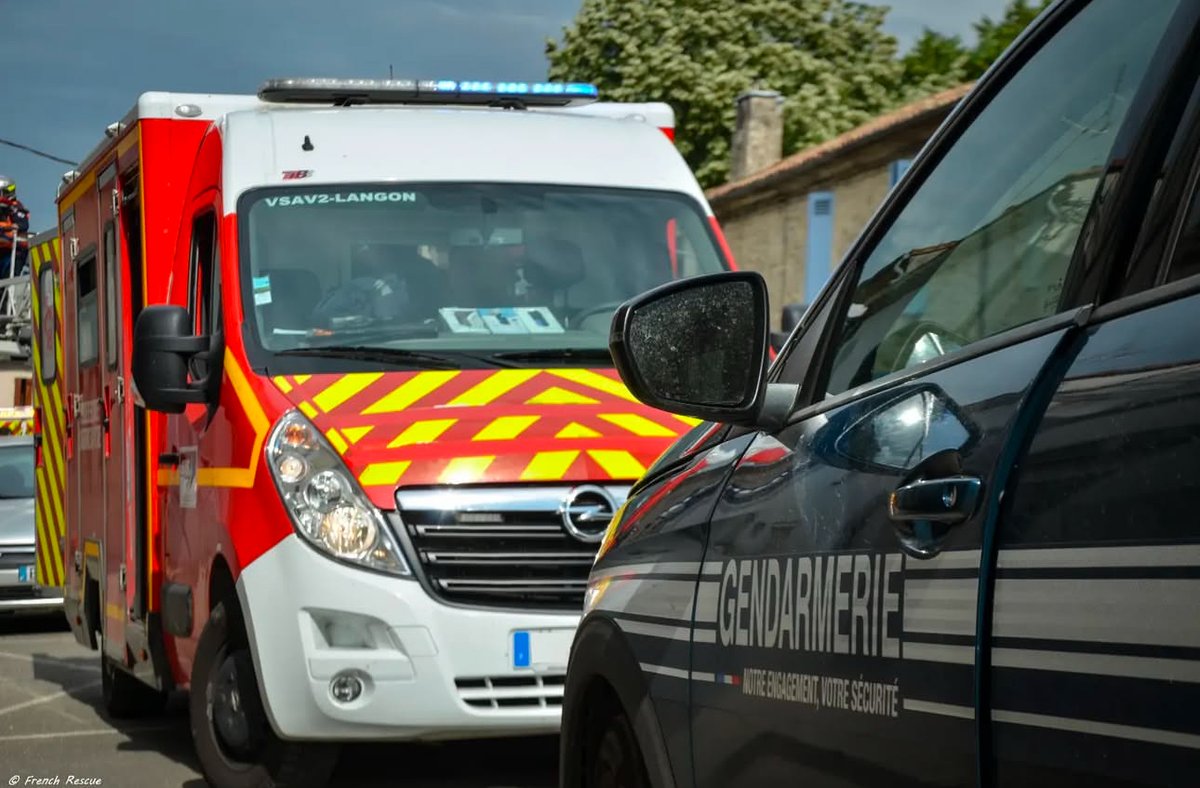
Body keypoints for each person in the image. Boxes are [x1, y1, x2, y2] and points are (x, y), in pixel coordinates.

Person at [0, 176, 30, 281]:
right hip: (3, 250)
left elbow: (22, 225)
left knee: (8, 280)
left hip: (15, 252)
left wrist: (7, 228)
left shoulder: (15, 208)